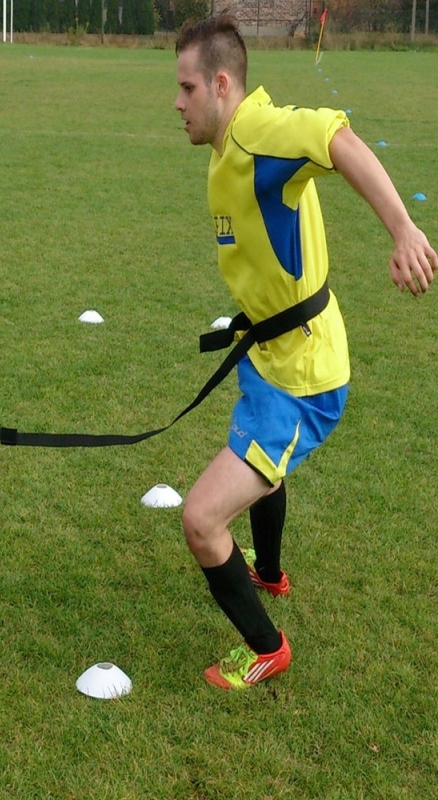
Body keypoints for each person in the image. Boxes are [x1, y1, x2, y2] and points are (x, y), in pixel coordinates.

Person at [173, 14, 436, 690]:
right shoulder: (230, 144)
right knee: (265, 471)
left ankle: (266, 648)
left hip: (303, 378)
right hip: (272, 357)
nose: (176, 104)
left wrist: (403, 228)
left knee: (202, 521)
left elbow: (336, 139)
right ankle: (269, 574)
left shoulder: (261, 132)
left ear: (221, 84)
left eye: (185, 89)